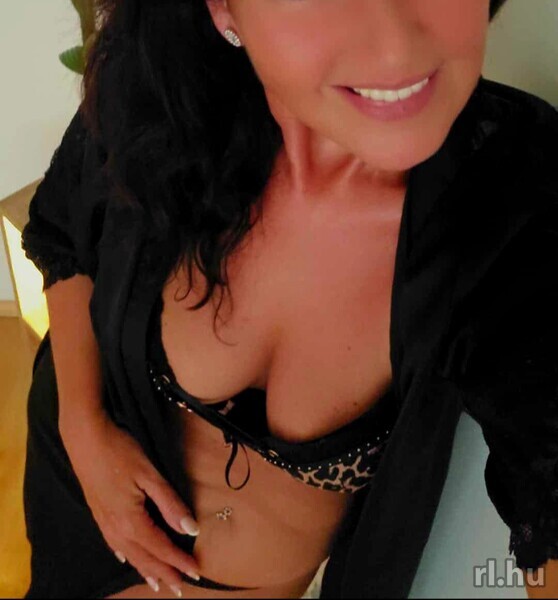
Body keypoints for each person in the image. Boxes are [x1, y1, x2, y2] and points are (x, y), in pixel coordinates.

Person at [19, 0, 558, 598]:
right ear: (223, 8)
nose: (396, 47)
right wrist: (84, 427)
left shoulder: (520, 198)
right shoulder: (161, 81)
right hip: (83, 517)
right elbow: (61, 231)